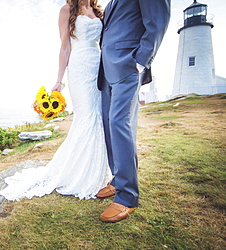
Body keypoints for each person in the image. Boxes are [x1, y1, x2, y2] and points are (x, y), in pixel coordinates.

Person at [0, 0, 112, 201]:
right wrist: (58, 80)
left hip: (99, 65)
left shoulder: (97, 10)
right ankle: (79, 173)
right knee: (86, 117)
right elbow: (65, 47)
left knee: (99, 116)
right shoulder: (67, 10)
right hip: (79, 67)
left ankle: (98, 169)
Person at [97, 0, 171, 222]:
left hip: (128, 65)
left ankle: (127, 196)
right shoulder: (109, 4)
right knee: (109, 122)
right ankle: (118, 179)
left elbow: (158, 22)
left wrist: (140, 62)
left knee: (120, 124)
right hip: (107, 69)